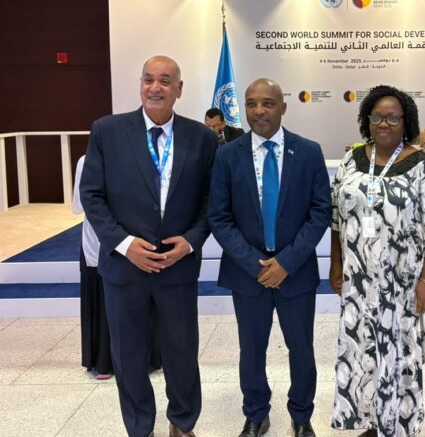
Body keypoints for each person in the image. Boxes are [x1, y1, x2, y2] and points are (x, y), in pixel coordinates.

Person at [80, 55, 218, 437]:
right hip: (125, 267)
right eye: (148, 79)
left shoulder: (202, 138)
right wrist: (124, 244)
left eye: (165, 80)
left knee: (182, 351)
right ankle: (140, 426)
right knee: (128, 354)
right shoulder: (107, 131)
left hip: (177, 266)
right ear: (140, 85)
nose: (155, 87)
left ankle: (182, 422)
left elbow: (213, 201)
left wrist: (191, 241)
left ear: (179, 89)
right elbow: (92, 195)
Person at [329, 85, 425, 437]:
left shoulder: (421, 166)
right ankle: (372, 421)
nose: (383, 124)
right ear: (366, 120)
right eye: (377, 117)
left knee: (400, 351)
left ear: (406, 122)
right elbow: (337, 219)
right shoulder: (351, 160)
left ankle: (399, 424)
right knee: (362, 349)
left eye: (392, 118)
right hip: (358, 281)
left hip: (402, 281)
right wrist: (336, 264)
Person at [207, 78, 331, 437]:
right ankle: (256, 414)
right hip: (248, 273)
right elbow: (219, 217)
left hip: (296, 271)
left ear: (283, 107)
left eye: (268, 103)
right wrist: (255, 264)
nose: (259, 111)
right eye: (251, 104)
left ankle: (301, 415)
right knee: (251, 349)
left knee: (301, 349)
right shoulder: (227, 155)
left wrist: (286, 263)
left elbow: (320, 212)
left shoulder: (308, 151)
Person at [72, 155, 161, 381]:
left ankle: (145, 358)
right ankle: (103, 360)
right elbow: (83, 204)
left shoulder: (144, 156)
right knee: (102, 297)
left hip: (138, 238)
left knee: (138, 298)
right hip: (101, 238)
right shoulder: (87, 161)